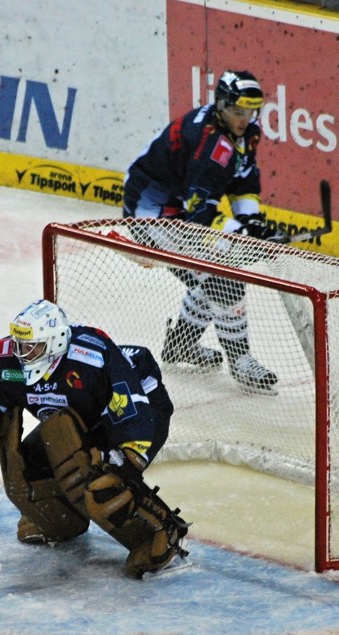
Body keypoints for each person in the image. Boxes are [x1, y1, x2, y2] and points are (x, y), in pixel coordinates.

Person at [0, 299, 188, 579]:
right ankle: (60, 522)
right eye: (20, 344)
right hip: (81, 418)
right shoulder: (5, 361)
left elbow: (132, 408)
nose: (23, 353)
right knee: (25, 471)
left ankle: (159, 530)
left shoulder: (91, 357)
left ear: (56, 341)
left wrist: (124, 458)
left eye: (32, 346)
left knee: (104, 482)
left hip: (142, 409)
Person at [122, 69, 286, 394]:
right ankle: (241, 363)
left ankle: (181, 345)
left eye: (250, 111)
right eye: (238, 111)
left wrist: (249, 220)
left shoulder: (243, 133)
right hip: (152, 214)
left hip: (178, 208)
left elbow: (243, 181)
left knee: (210, 275)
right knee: (223, 280)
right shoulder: (210, 143)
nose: (245, 118)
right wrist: (240, 231)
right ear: (222, 105)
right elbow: (200, 217)